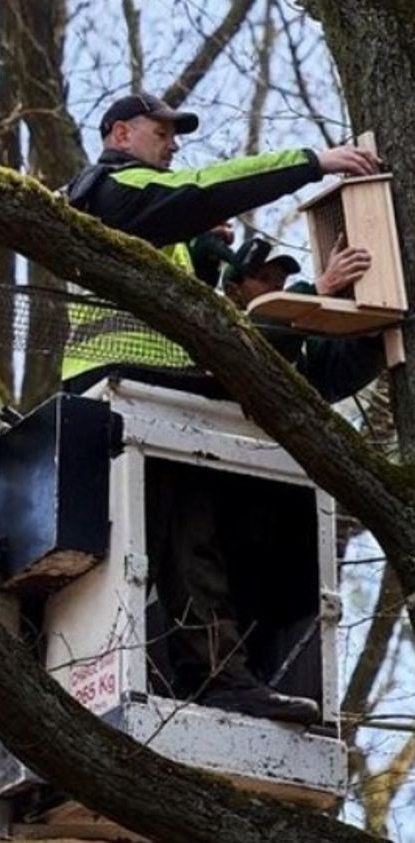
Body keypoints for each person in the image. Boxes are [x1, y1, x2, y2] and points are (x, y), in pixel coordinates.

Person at [64, 93, 381, 724]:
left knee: (204, 541)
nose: (174, 144)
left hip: (165, 399)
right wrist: (312, 162)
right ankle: (214, 677)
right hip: (130, 394)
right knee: (188, 543)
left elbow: (305, 373)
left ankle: (223, 675)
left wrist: (366, 317)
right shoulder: (105, 193)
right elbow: (200, 191)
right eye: (163, 132)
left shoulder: (166, 238)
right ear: (121, 134)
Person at [222, 236, 384, 402]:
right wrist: (322, 286)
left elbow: (334, 379)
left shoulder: (297, 341)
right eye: (264, 278)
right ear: (233, 292)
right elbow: (262, 334)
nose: (277, 287)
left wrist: (370, 337)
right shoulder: (221, 330)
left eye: (281, 281)